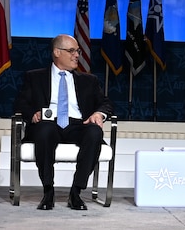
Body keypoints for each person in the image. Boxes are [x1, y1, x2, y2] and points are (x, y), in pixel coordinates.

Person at [14, 34, 114, 211]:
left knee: (94, 132)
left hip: (78, 125)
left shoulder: (88, 80)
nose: (77, 55)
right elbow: (21, 103)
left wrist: (99, 113)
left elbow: (106, 103)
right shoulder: (34, 77)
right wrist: (33, 114)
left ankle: (76, 192)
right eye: (72, 51)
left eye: (78, 51)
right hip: (48, 123)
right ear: (57, 52)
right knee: (44, 130)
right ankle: (48, 191)